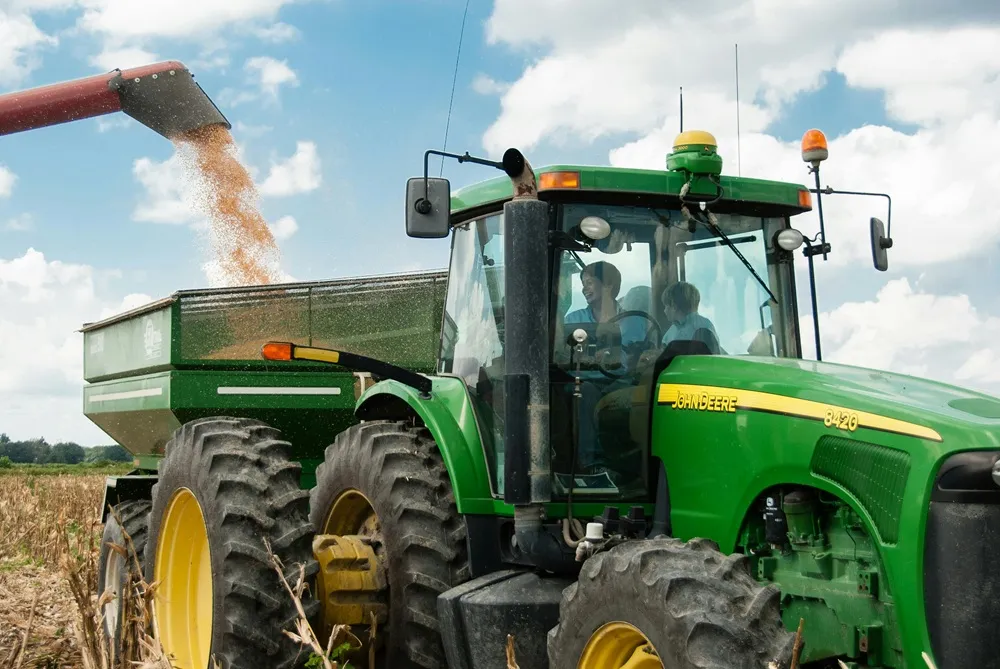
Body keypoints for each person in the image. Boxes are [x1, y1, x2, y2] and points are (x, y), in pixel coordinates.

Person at [660, 281, 721, 353]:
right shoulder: (671, 332)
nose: (664, 311)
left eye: (666, 306)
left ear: (674, 306)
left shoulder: (702, 330)